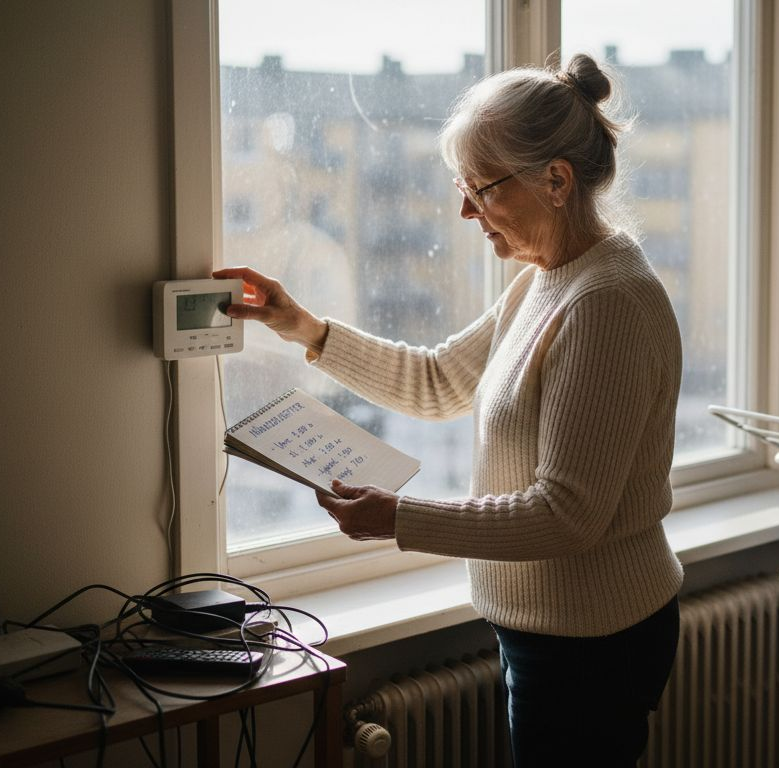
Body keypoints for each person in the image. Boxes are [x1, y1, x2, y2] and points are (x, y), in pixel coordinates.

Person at [214, 53, 684, 767]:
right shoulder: (548, 282)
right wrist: (304, 328)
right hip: (555, 631)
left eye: (481, 189)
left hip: (594, 642)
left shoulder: (605, 303)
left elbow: (569, 514)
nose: (465, 211)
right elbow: (438, 381)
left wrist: (396, 519)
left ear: (555, 181)